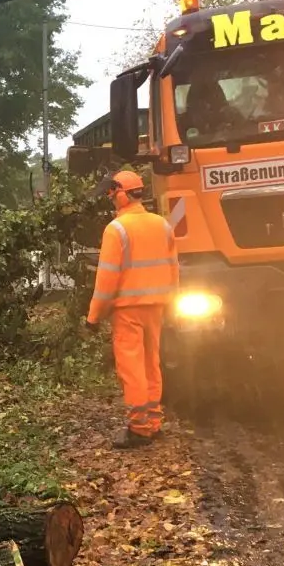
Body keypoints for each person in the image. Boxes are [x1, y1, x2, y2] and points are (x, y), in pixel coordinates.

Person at [85, 171, 179, 448]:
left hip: (128, 311)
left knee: (132, 368)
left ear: (122, 193)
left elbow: (106, 281)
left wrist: (93, 317)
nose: (111, 200)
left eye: (112, 195)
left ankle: (139, 429)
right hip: (157, 307)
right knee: (151, 364)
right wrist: (170, 303)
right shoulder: (162, 225)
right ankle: (153, 421)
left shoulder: (117, 230)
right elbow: (174, 269)